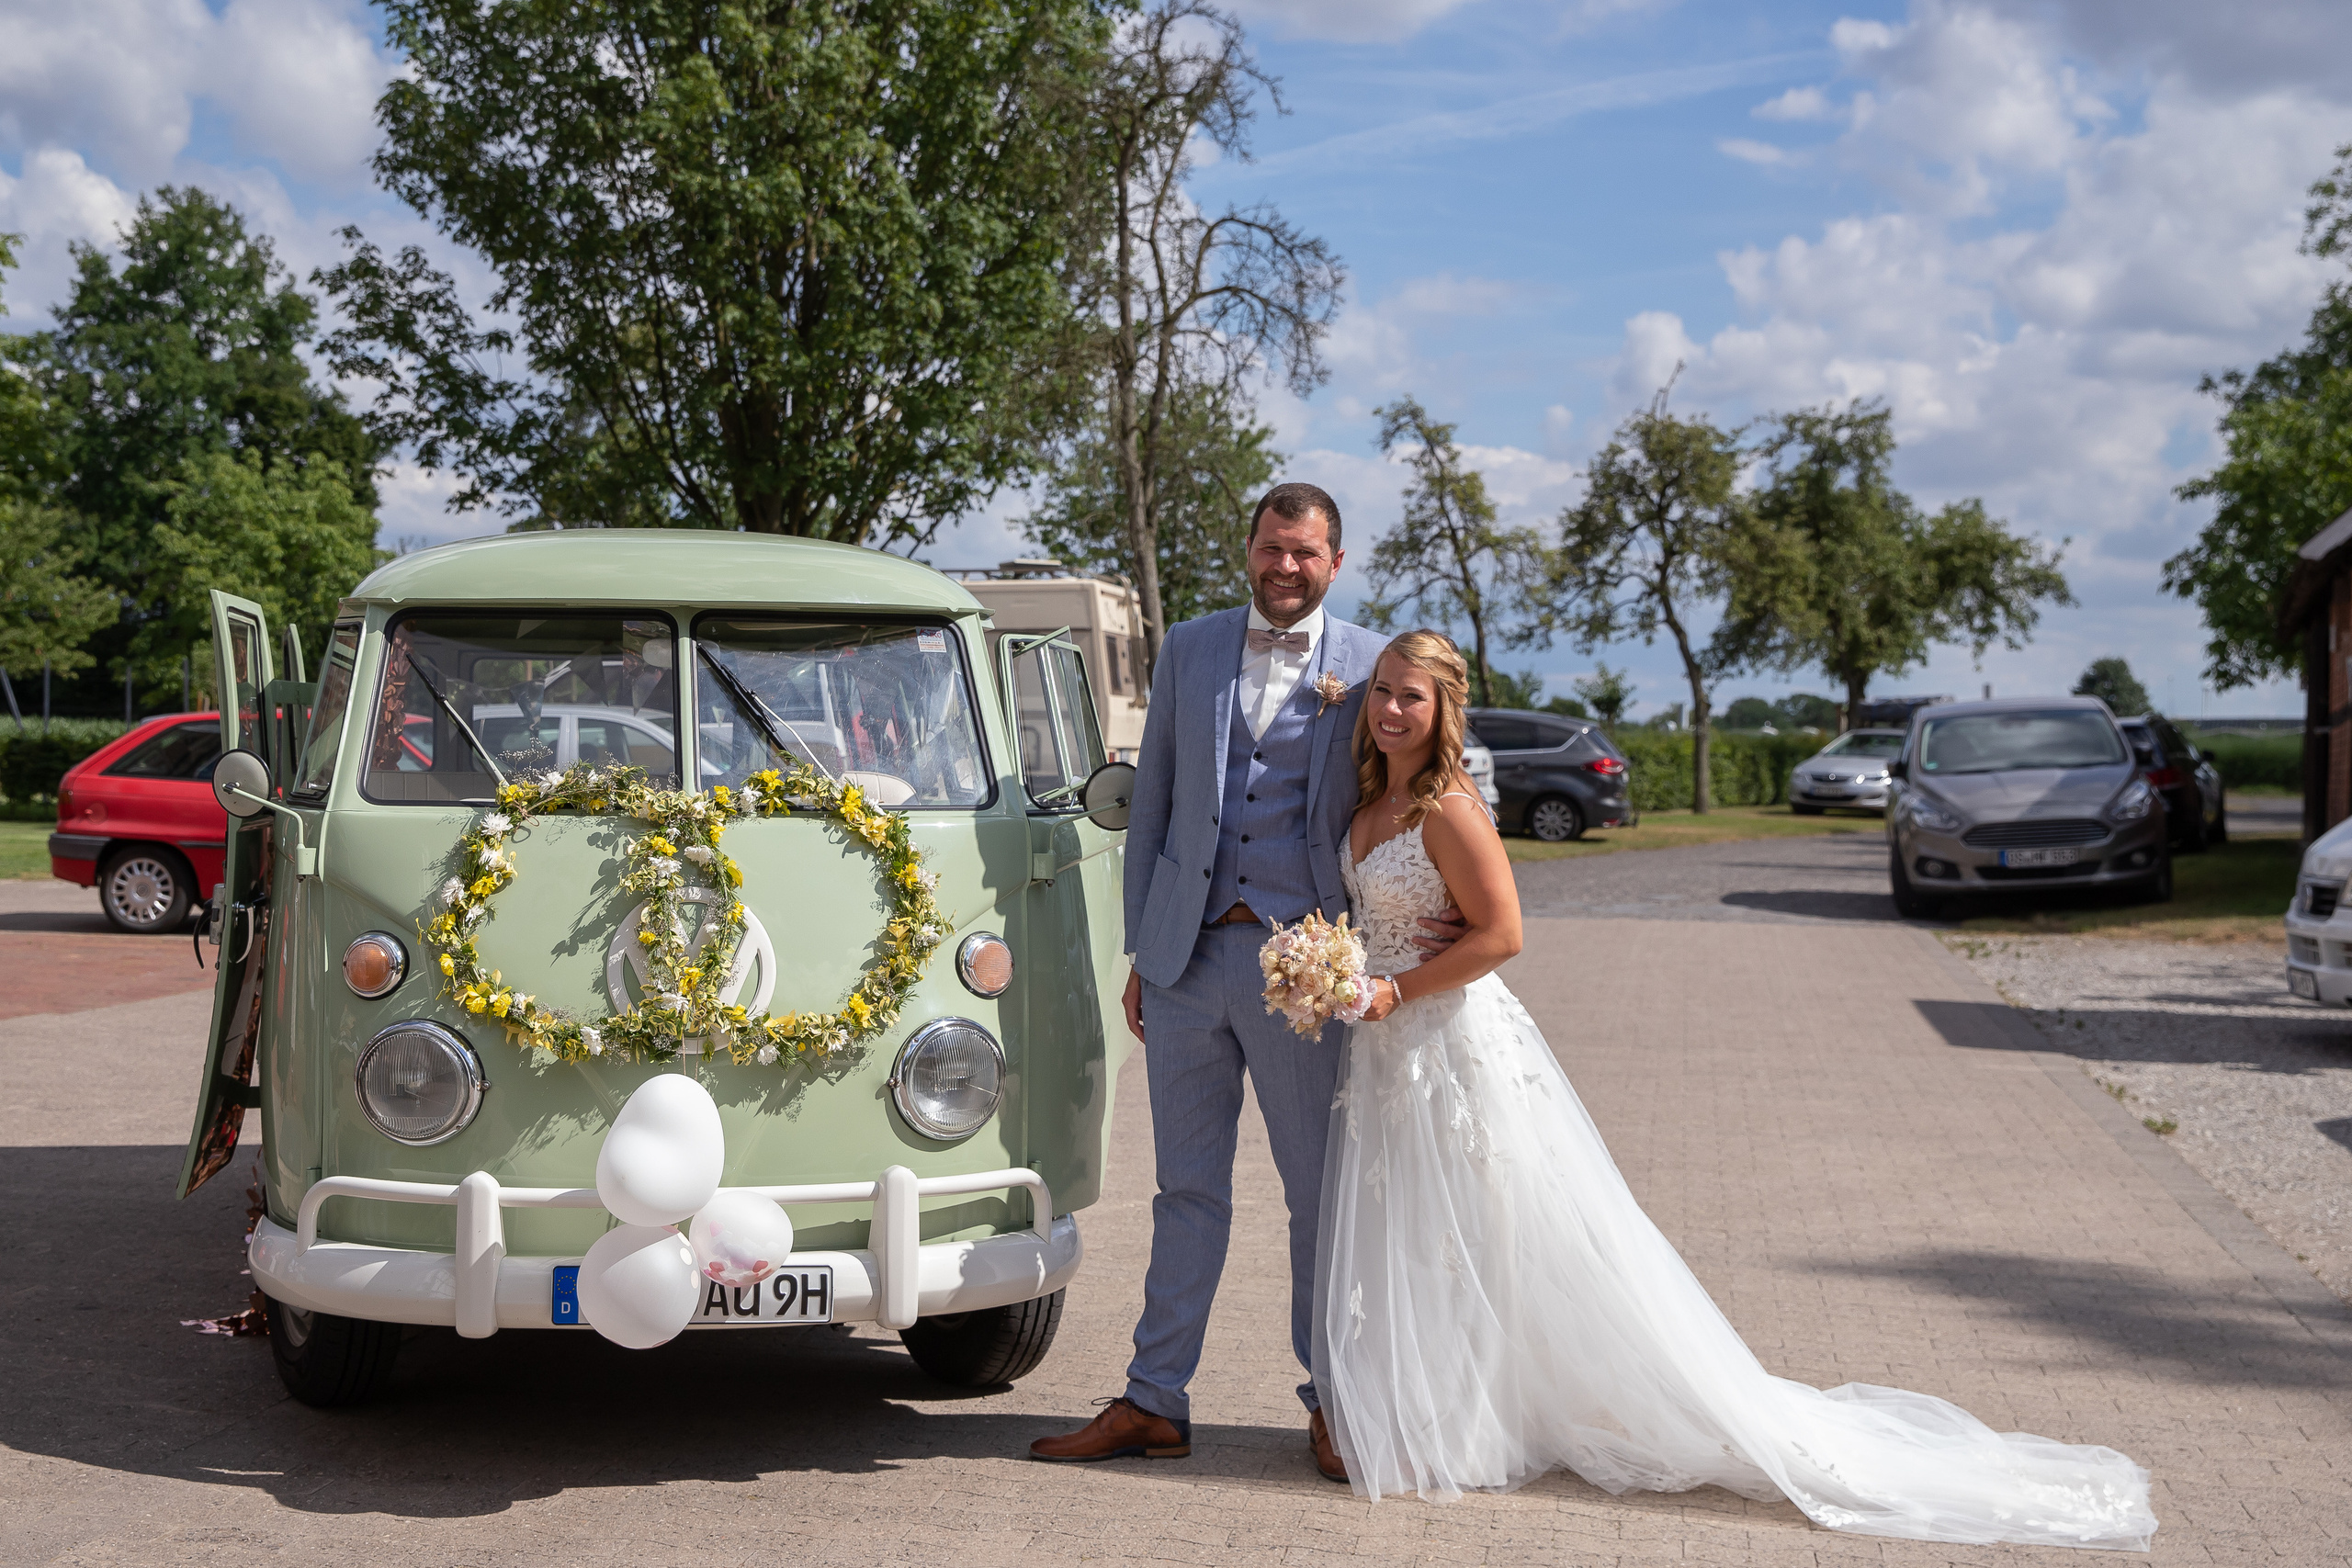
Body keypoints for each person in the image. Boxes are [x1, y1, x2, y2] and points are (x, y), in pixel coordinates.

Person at [1316, 628, 2158, 1551]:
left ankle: (1481, 1423)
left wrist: (1393, 989)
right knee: (1424, 1232)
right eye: (1382, 693)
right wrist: (1332, 974)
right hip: (1386, 1054)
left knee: (1492, 1230)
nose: (1393, 710)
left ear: (1443, 710)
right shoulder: (1372, 797)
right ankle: (1447, 1416)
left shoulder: (1446, 806)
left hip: (1447, 1043)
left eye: (1413, 697)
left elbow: (1504, 934)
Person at [1029, 483, 1451, 1482]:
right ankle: (1153, 1400)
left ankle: (1333, 1402)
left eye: (1306, 553)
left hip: (1305, 971)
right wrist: (1143, 951)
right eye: (1272, 549)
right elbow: (1159, 804)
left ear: (1335, 561)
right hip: (1185, 963)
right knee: (1185, 1193)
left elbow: (1417, 785)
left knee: (1318, 1198)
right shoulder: (1191, 646)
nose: (1286, 568)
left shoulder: (1369, 667)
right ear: (1249, 551)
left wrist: (1410, 922)